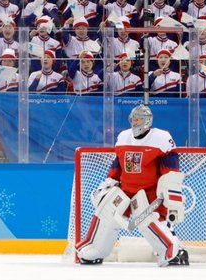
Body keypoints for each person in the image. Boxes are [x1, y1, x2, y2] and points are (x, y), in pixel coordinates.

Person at [75, 104, 189, 267]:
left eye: (138, 119)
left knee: (149, 220)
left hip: (148, 191)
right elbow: (118, 163)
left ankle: (172, 251)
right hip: (126, 189)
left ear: (147, 121)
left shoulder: (161, 137)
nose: (135, 122)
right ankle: (95, 249)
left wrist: (169, 189)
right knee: (107, 211)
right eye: (133, 119)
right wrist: (109, 182)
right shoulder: (123, 136)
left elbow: (170, 165)